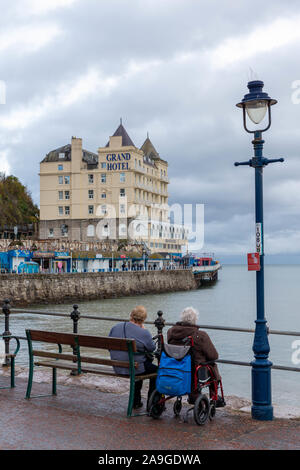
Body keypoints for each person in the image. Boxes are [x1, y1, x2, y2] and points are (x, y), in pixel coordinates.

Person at [167, 306, 224, 406]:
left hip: (175, 366)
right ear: (195, 319)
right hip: (194, 369)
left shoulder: (171, 332)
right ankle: (214, 397)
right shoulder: (200, 335)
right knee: (213, 366)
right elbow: (213, 355)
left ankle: (193, 394)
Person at [109, 306, 157, 410]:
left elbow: (109, 346)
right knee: (157, 371)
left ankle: (136, 401)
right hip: (133, 367)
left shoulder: (115, 327)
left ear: (131, 315)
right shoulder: (144, 332)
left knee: (138, 362)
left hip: (117, 366)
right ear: (144, 319)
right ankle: (152, 403)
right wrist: (144, 331)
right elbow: (152, 348)